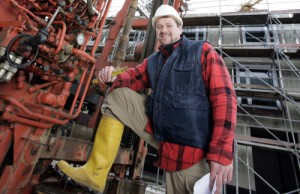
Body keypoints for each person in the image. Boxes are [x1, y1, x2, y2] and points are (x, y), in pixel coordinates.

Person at [56, 4, 237, 194]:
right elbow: (129, 78)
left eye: (168, 25)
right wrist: (110, 76)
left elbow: (225, 98)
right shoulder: (154, 61)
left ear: (180, 28)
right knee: (118, 96)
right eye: (159, 27)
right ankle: (94, 174)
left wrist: (221, 153)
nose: (163, 30)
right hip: (166, 140)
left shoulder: (201, 51)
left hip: (194, 154)